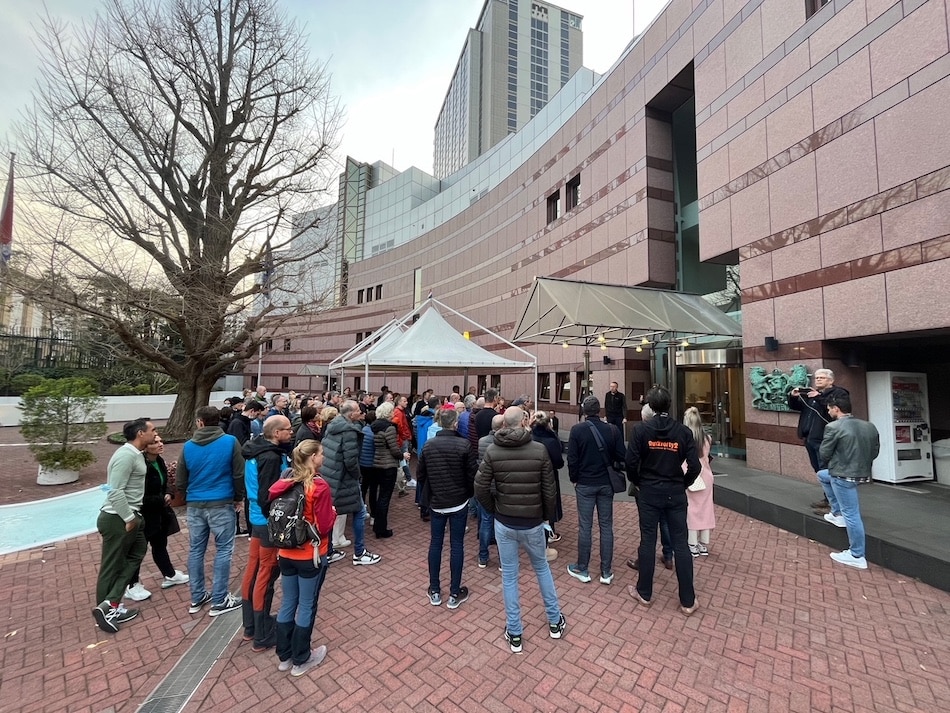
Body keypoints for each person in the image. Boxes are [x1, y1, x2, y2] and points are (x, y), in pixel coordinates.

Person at [476, 406, 566, 654]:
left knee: (510, 577)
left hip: (505, 521)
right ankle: (555, 620)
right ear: (524, 421)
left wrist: (493, 509)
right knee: (541, 568)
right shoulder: (539, 450)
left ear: (504, 424)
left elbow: (480, 487)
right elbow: (550, 490)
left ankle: (515, 631)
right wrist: (546, 518)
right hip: (532, 521)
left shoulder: (494, 450)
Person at [625, 386, 701, 616]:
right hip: (675, 492)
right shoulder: (683, 432)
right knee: (681, 543)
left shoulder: (641, 430)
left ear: (649, 405)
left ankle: (644, 593)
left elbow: (631, 462)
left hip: (649, 492)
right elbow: (695, 465)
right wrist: (683, 483)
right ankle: (688, 600)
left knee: (648, 541)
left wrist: (638, 481)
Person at [268, 440, 336, 677]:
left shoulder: (284, 479)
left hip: (285, 552)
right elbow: (326, 525)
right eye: (321, 454)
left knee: (288, 602)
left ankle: (285, 656)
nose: (323, 458)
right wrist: (333, 513)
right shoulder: (319, 486)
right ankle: (302, 658)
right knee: (306, 604)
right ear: (313, 457)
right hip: (311, 553)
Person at [177, 406, 246, 617]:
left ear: (200, 422)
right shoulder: (229, 442)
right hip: (221, 503)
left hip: (196, 504)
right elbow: (238, 473)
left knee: (196, 550)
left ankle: (197, 597)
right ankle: (219, 598)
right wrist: (238, 498)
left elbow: (180, 481)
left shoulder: (188, 447)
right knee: (223, 549)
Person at [92, 418, 157, 633]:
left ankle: (111, 602)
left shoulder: (135, 454)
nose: (155, 434)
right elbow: (114, 490)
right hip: (118, 519)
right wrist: (129, 518)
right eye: (152, 430)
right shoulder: (125, 455)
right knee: (111, 565)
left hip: (131, 517)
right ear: (140, 433)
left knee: (137, 553)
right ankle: (106, 609)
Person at [240, 415, 293, 651]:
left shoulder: (255, 451)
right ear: (276, 433)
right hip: (266, 520)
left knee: (255, 569)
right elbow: (267, 495)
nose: (291, 432)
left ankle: (251, 625)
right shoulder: (270, 457)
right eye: (288, 429)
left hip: (256, 517)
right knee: (266, 573)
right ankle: (262, 634)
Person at [417, 407, 476, 609]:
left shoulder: (428, 445)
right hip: (458, 501)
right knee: (456, 545)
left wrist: (425, 499)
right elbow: (471, 476)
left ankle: (435, 589)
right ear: (455, 423)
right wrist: (468, 493)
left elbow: (421, 475)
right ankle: (453, 592)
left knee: (436, 543)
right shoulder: (464, 445)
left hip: (438, 502)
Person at [566, 396, 624, 585]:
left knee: (585, 526)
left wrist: (574, 479)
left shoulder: (577, 430)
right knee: (606, 526)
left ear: (584, 410)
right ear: (599, 410)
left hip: (585, 483)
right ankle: (606, 571)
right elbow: (621, 456)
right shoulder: (612, 430)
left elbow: (572, 459)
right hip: (606, 483)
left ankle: (583, 567)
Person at [818, 394, 880, 570]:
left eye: (829, 409)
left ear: (836, 408)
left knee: (852, 514)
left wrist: (836, 463)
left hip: (842, 474)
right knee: (822, 475)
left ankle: (856, 555)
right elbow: (875, 451)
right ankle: (837, 513)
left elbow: (824, 453)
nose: (828, 412)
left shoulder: (833, 426)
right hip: (861, 472)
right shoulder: (869, 426)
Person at [125, 435, 189, 601]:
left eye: (161, 441)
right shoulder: (140, 465)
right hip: (144, 513)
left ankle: (169, 574)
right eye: (155, 442)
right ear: (145, 447)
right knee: (138, 550)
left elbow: (165, 482)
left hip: (159, 512)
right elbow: (138, 494)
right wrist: (161, 499)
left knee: (160, 544)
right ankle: (131, 585)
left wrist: (168, 492)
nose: (161, 444)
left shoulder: (158, 460)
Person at [321, 400, 381, 565]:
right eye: (358, 411)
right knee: (359, 512)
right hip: (343, 478)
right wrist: (357, 476)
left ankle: (328, 551)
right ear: (351, 413)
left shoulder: (333, 426)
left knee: (332, 513)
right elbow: (350, 460)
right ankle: (359, 553)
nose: (361, 413)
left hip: (330, 475)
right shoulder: (350, 431)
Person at [788, 368, 849, 513]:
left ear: (831, 380)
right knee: (819, 471)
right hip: (809, 438)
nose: (818, 380)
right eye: (816, 378)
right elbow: (796, 407)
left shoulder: (839, 393)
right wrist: (793, 396)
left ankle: (833, 504)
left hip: (825, 439)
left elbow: (839, 410)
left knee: (827, 470)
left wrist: (819, 397)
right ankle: (827, 498)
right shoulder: (811, 394)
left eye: (822, 378)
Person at [369, 401, 407, 538]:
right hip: (388, 465)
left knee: (378, 496)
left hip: (376, 463)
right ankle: (381, 528)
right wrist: (403, 455)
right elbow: (394, 449)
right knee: (385, 498)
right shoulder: (389, 428)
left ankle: (377, 523)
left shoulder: (373, 426)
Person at [683, 408, 716, 557]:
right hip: (706, 477)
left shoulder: (685, 439)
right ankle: (703, 543)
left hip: (690, 476)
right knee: (705, 509)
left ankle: (692, 543)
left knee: (691, 511)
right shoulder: (707, 439)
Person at [474, 413, 504, 567]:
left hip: (485, 486)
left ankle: (483, 556)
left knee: (485, 521)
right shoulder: (504, 443)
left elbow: (481, 463)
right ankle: (501, 559)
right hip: (500, 487)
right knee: (500, 524)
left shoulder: (482, 441)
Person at [530, 411, 564, 544]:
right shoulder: (551, 440)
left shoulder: (529, 438)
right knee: (550, 504)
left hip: (532, 476)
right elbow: (559, 462)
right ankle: (550, 532)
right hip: (549, 477)